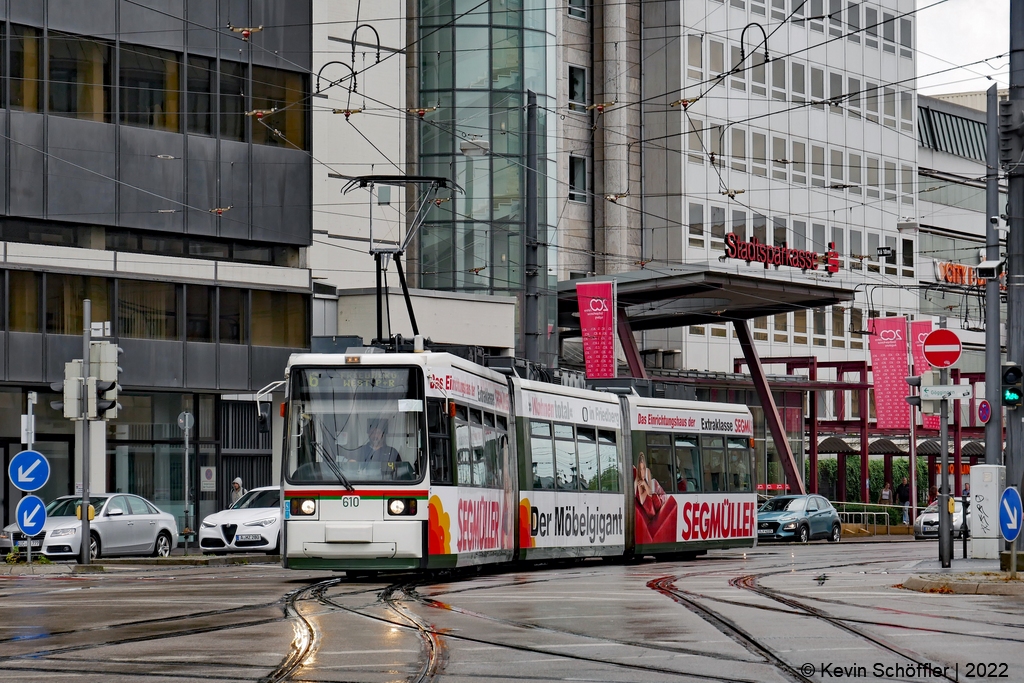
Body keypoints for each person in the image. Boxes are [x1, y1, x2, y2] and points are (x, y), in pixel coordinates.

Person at [634, 453, 678, 544]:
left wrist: (646, 485)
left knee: (655, 485)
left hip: (655, 504)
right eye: (640, 469)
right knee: (655, 488)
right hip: (652, 510)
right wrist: (647, 489)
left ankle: (663, 501)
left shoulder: (647, 472)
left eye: (643, 468)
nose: (642, 472)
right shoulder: (637, 481)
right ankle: (663, 501)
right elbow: (642, 500)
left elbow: (650, 491)